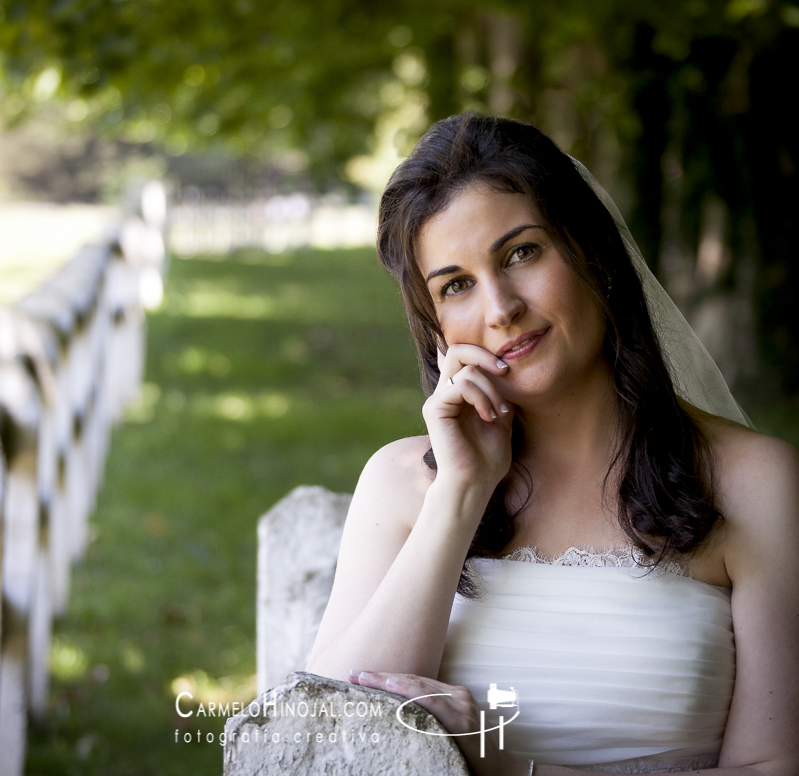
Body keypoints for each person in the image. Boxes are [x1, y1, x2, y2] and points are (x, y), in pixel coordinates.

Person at [305, 113, 799, 775]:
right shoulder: (402, 485)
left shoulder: (757, 484)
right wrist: (459, 493)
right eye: (456, 285)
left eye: (521, 253)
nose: (501, 307)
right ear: (436, 331)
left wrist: (502, 765)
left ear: (592, 253)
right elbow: (326, 736)